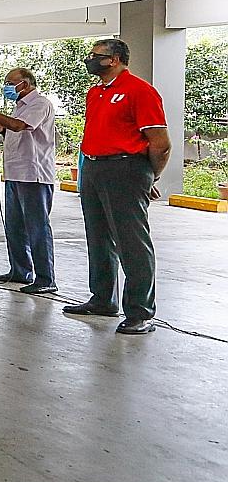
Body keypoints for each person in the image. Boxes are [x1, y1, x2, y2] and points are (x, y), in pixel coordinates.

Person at [63, 39, 170, 335]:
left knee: (131, 242)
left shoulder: (140, 90)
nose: (90, 60)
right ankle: (103, 299)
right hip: (94, 167)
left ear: (115, 59)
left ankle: (140, 312)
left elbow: (160, 144)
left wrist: (149, 176)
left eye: (96, 56)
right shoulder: (95, 92)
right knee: (98, 237)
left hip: (126, 168)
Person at [0, 69, 58, 295]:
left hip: (33, 175)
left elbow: (19, 126)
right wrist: (0, 127)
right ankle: (20, 270)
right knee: (15, 226)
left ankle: (46, 278)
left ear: (25, 84)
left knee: (37, 228)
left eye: (10, 83)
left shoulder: (40, 103)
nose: (6, 87)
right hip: (14, 173)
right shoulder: (19, 107)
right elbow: (14, 132)